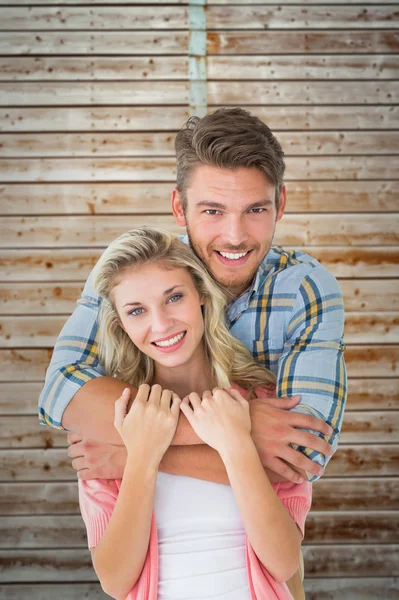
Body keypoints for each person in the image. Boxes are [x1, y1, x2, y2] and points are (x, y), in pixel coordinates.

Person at [78, 227, 312, 600]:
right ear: (122, 324)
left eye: (173, 297)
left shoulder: (263, 402)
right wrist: (140, 455)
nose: (161, 324)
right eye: (137, 310)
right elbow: (116, 581)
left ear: (201, 293)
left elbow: (284, 564)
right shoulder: (113, 420)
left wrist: (236, 442)